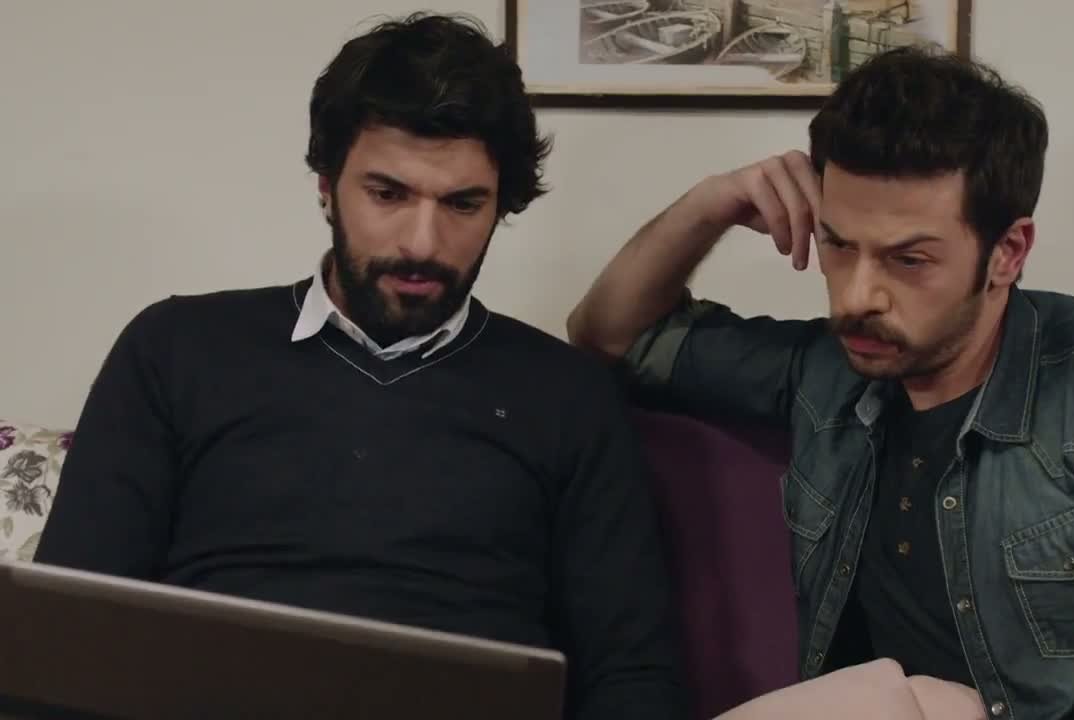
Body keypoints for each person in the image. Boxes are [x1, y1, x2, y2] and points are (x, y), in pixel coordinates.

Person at [568, 45, 1074, 719]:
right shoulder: (826, 370)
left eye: (908, 260)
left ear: (1007, 252)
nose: (858, 296)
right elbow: (611, 336)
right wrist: (710, 203)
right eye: (837, 245)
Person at [34, 12, 686, 719]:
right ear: (326, 185)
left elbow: (634, 673)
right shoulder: (175, 349)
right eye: (387, 194)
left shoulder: (567, 395)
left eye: (463, 204)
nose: (422, 243)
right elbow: (67, 629)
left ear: (501, 206)